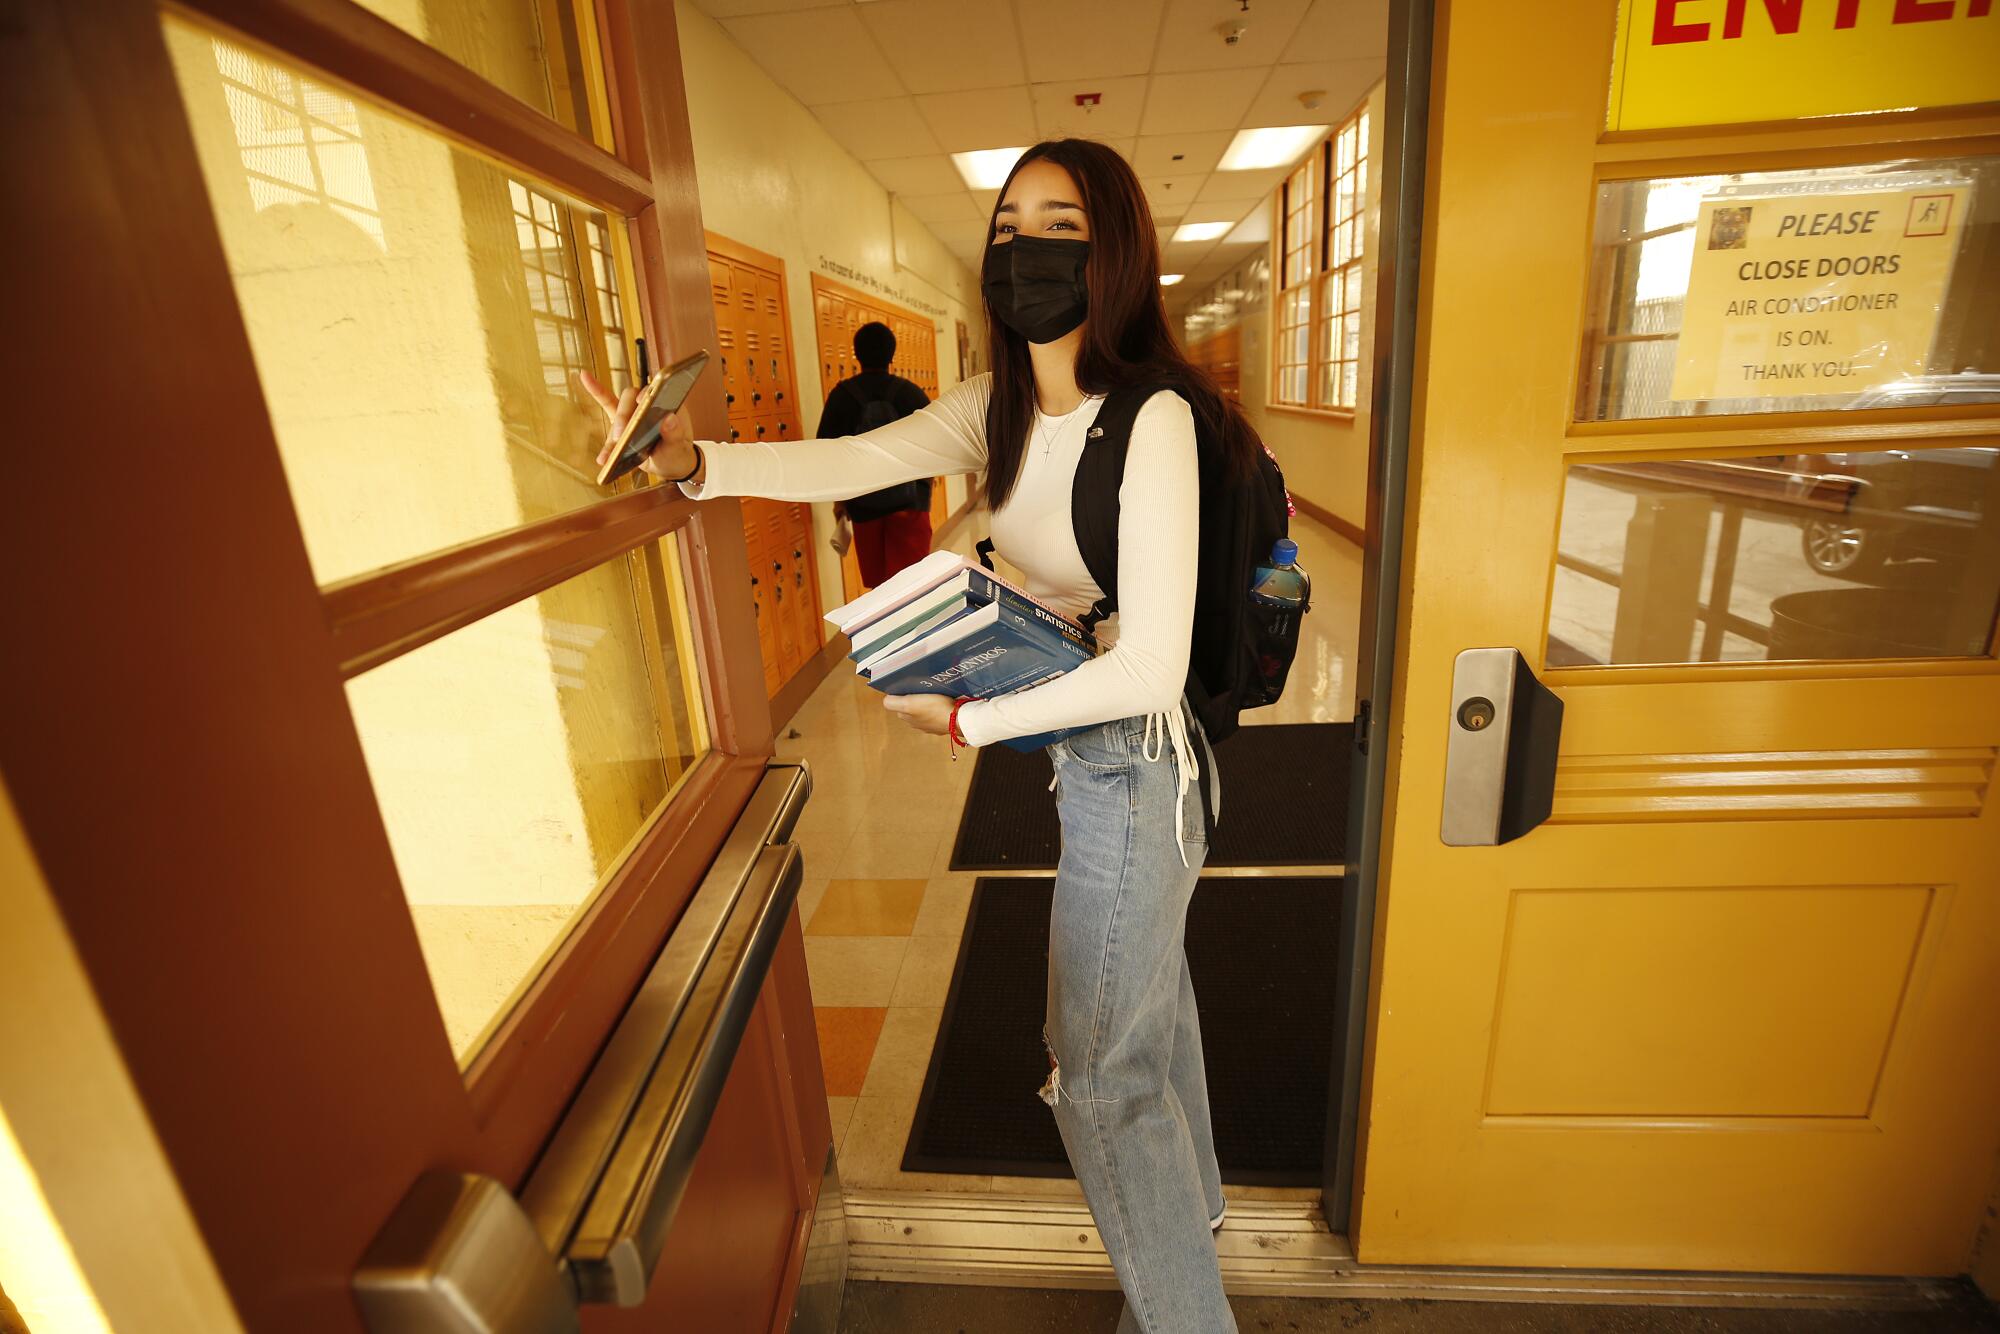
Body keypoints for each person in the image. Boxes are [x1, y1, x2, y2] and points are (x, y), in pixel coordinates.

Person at [582, 138, 1257, 1333]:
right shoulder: (996, 408)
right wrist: (694, 465)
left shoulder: (1150, 416)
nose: (1022, 248)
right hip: (1085, 754)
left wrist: (966, 717)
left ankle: (1184, 1315)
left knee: (1095, 1074)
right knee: (1148, 1006)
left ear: (1111, 252)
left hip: (1143, 765)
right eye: (1005, 227)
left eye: (1057, 223)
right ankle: (1190, 1205)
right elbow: (850, 457)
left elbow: (1148, 665)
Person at [816, 320, 934, 585]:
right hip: (910, 504)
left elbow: (826, 449)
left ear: (856, 355)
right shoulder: (910, 394)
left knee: (880, 588)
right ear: (892, 354)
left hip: (863, 507)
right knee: (913, 584)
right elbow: (935, 444)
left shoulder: (842, 396)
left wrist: (840, 501)